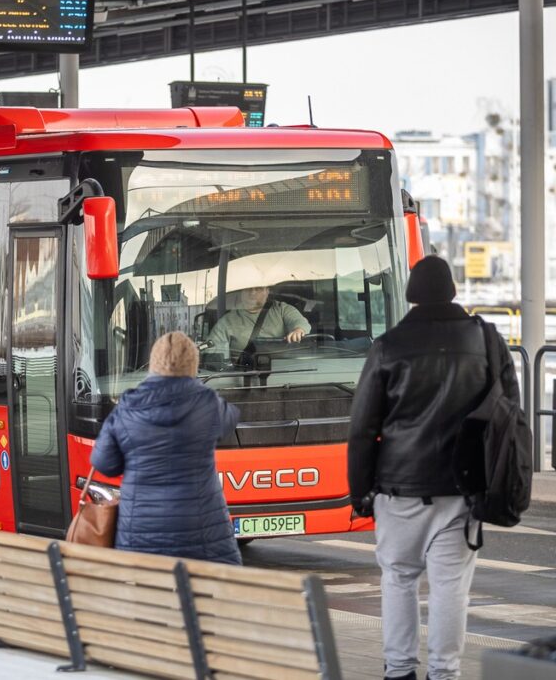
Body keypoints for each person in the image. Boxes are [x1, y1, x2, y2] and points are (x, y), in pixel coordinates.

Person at [347, 256, 519, 680]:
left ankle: (400, 669)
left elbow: (362, 429)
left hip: (397, 489)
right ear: (452, 292)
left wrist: (361, 493)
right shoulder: (487, 340)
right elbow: (510, 414)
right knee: (449, 588)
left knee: (399, 579)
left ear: (411, 295)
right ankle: (444, 673)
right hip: (463, 492)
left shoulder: (388, 346)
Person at [90, 331, 242, 564]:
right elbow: (230, 419)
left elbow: (104, 464)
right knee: (209, 593)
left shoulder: (128, 407)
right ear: (193, 365)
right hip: (202, 531)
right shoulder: (208, 403)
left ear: (153, 364)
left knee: (151, 596)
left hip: (140, 532)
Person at [206, 285, 311, 363]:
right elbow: (212, 352)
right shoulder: (227, 321)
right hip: (242, 376)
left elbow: (300, 322)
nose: (252, 293)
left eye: (258, 289)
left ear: (267, 291)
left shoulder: (281, 309)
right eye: (248, 288)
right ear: (241, 292)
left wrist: (298, 330)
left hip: (283, 372)